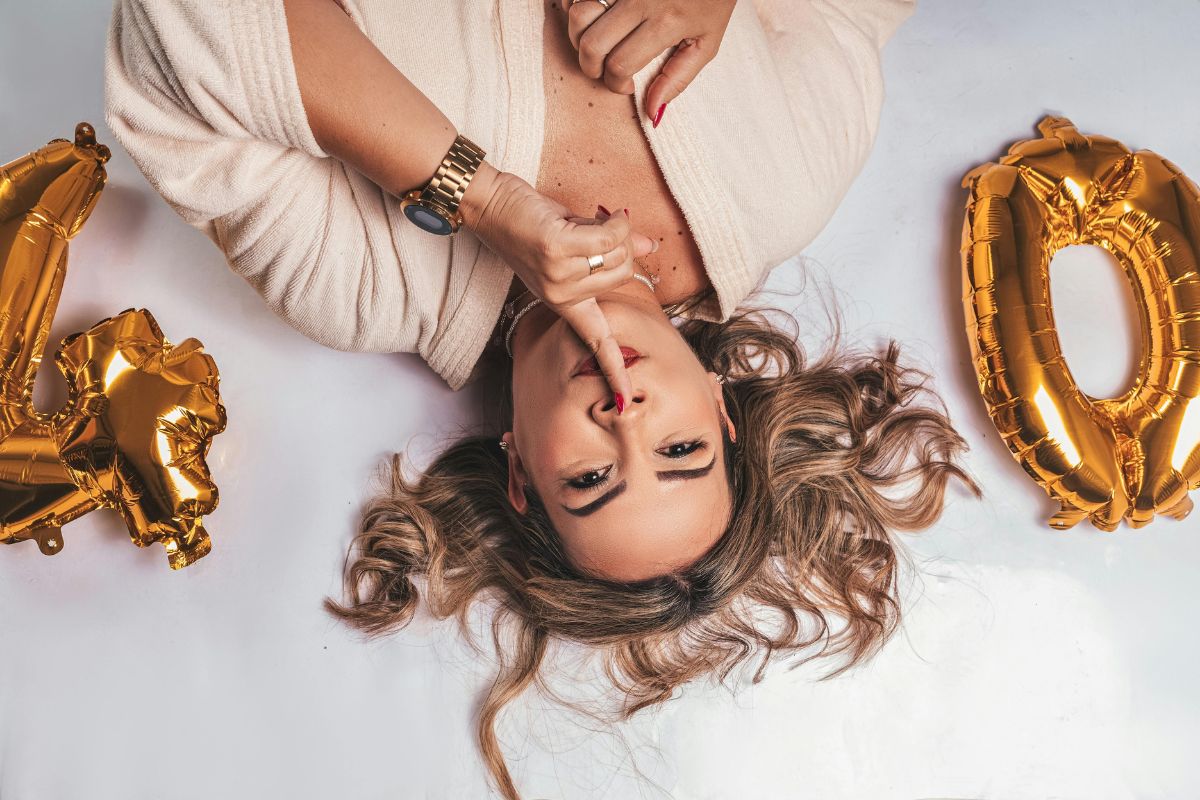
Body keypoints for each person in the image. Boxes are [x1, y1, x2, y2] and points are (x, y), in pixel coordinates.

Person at [105, 1, 978, 798]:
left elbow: (175, 31)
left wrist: (480, 199)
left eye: (592, 478)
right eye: (680, 451)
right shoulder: (787, 183)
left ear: (520, 469)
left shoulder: (358, 284)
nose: (627, 419)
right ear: (721, 410)